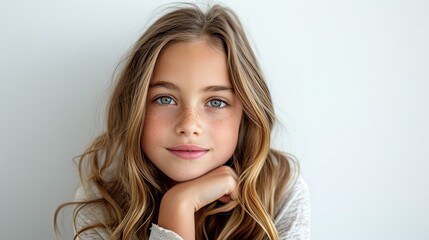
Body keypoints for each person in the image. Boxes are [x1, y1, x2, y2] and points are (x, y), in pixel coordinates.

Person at [54, 3, 310, 240]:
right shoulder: (102, 202)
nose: (189, 125)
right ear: (135, 107)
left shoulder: (280, 193)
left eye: (216, 102)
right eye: (165, 99)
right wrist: (179, 207)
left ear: (247, 113)